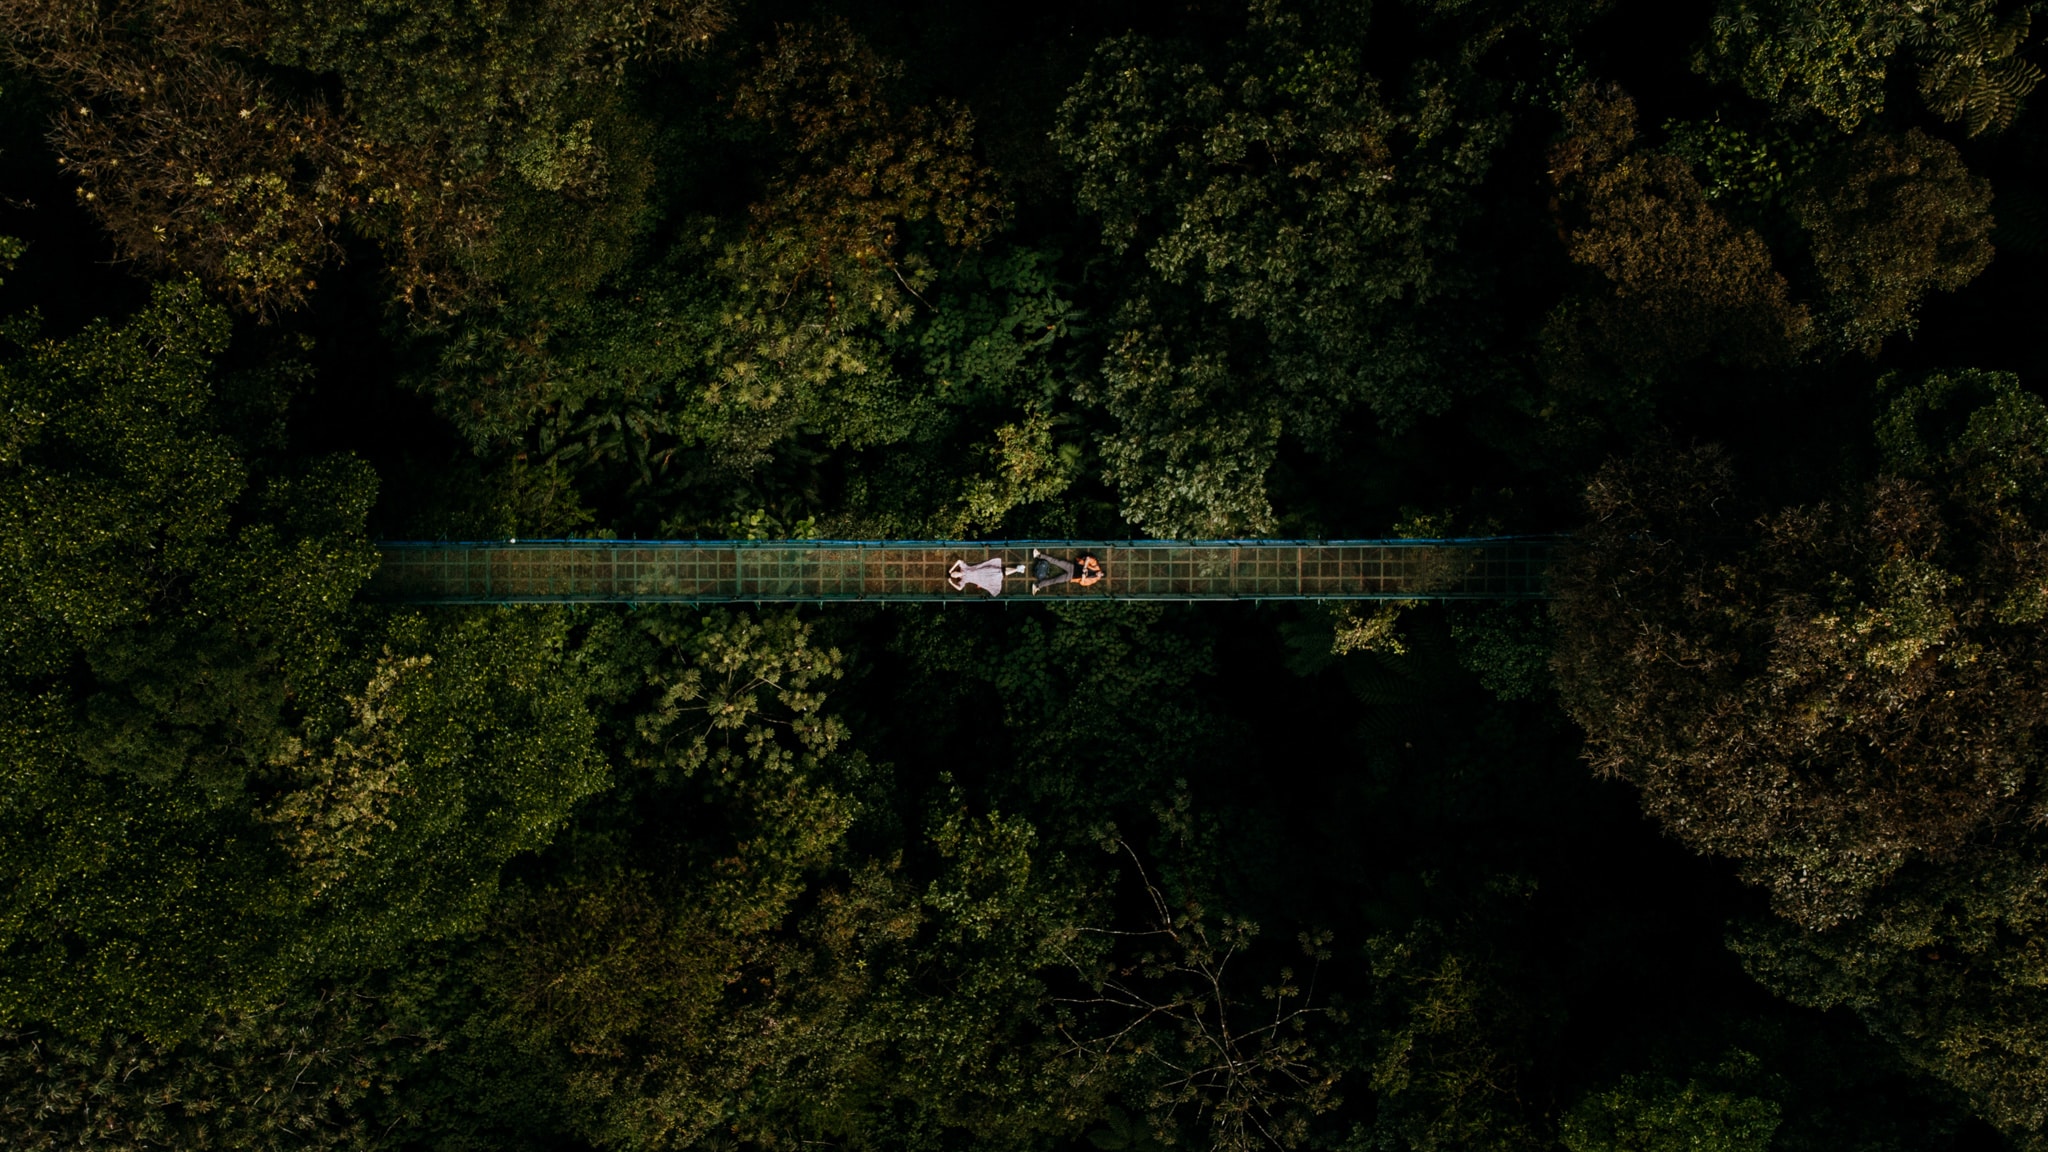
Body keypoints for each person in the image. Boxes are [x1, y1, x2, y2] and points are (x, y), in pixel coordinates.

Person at [1028, 549, 1104, 593]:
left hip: (1071, 577)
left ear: (1100, 577)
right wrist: (1085, 567)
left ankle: (1037, 586)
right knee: (1056, 561)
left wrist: (1083, 577)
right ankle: (1039, 555)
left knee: (1055, 580)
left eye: (1100, 575)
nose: (1099, 574)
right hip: (1072, 567)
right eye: (1100, 572)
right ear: (1100, 570)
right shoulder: (1096, 566)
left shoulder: (1093, 580)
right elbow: (1088, 558)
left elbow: (1083, 583)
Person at [949, 556, 1022, 596]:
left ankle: (1017, 569)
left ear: (956, 571)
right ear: (956, 577)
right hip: (983, 579)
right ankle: (1017, 569)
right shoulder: (963, 580)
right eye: (954, 576)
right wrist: (951, 583)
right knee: (1000, 574)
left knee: (999, 570)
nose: (955, 574)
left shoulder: (963, 568)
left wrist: (951, 569)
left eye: (954, 573)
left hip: (983, 571)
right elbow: (959, 588)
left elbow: (959, 561)